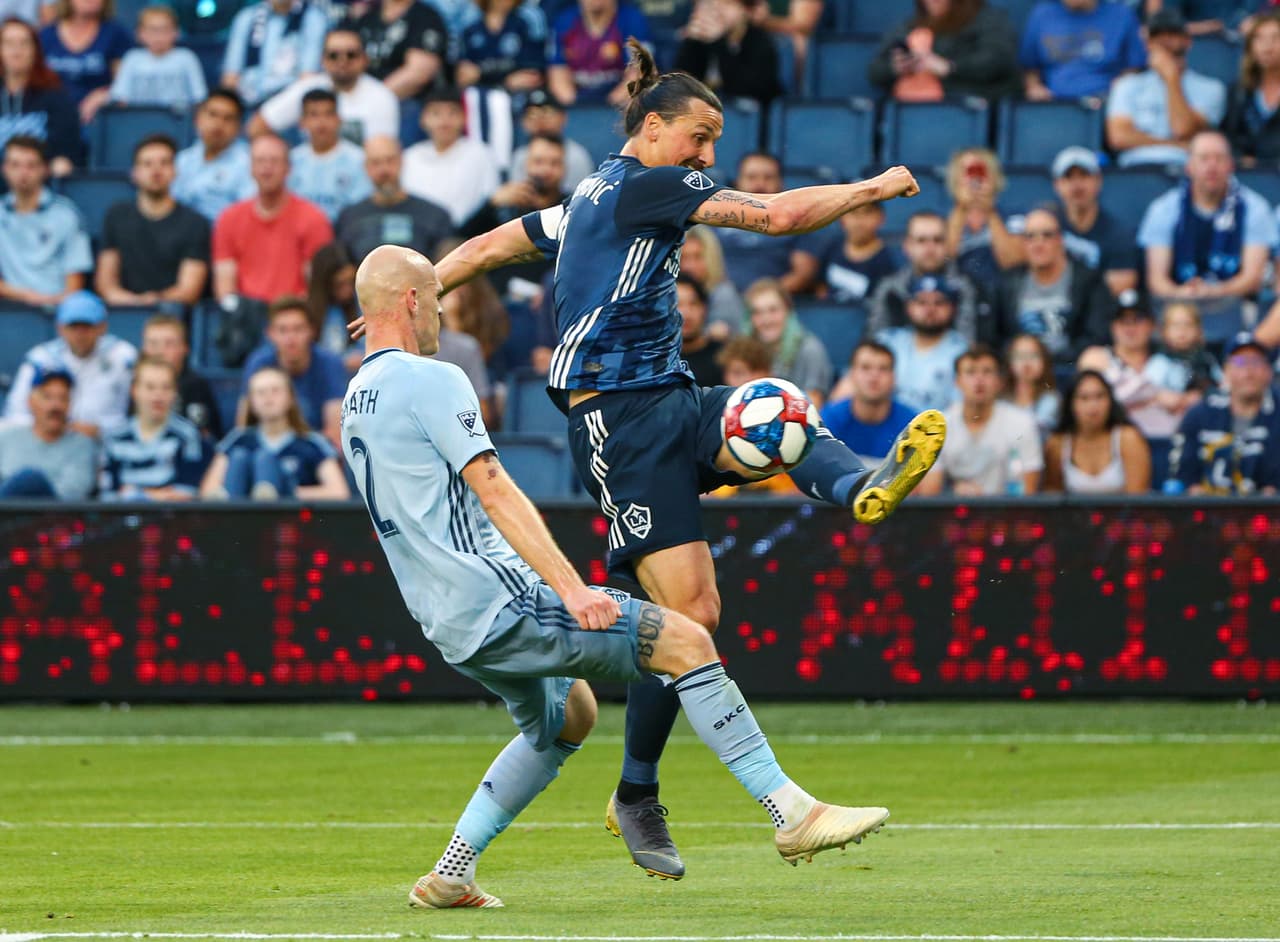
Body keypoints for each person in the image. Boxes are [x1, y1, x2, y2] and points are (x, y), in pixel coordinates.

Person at [350, 40, 943, 882]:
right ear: (654, 127)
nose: (708, 157)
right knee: (689, 617)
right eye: (700, 136)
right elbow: (774, 216)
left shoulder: (592, 196)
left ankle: (861, 482)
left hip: (673, 396)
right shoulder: (649, 186)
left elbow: (490, 247)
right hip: (617, 425)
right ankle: (645, 794)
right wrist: (873, 188)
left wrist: (410, 299)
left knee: (767, 409)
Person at [342, 245, 890, 909]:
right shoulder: (436, 378)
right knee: (689, 640)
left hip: (446, 620)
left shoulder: (356, 399)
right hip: (499, 602)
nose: (438, 313)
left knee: (569, 715)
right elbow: (496, 491)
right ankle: (791, 815)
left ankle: (452, 872)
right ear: (409, 303)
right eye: (432, 299)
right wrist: (572, 591)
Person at [1136, 129, 1275, 340]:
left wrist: (1211, 291)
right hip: (1178, 307)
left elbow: (1252, 279)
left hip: (1235, 306)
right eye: (1204, 159)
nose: (1212, 166)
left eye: (1219, 159)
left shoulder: (1254, 208)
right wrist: (1185, 294)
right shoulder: (1164, 209)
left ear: (1231, 165)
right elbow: (1157, 281)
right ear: (1189, 166)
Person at [212, 133, 333, 305]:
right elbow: (225, 288)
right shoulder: (229, 218)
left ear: (288, 168)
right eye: (260, 161)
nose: (267, 169)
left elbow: (315, 286)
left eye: (274, 161)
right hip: (246, 316)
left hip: (295, 315)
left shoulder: (313, 218)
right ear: (251, 168)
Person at [202, 364, 349, 500]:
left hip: (290, 523)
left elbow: (339, 491)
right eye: (260, 392)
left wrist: (289, 493)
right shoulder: (237, 440)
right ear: (251, 402)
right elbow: (208, 491)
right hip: (238, 518)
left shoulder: (311, 443)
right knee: (239, 457)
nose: (268, 398)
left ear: (290, 397)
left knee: (264, 458)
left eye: (275, 391)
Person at [95, 133, 210, 307]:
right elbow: (106, 283)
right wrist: (136, 303)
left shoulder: (195, 223)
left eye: (164, 163)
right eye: (147, 164)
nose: (156, 171)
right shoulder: (116, 216)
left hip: (173, 319)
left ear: (175, 171)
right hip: (124, 313)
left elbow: (188, 290)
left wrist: (154, 302)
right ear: (134, 173)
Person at [1105, 8, 1227, 168]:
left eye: (1173, 34)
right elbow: (1119, 137)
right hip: (1135, 168)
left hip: (1185, 169)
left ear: (1187, 41)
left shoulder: (1212, 88)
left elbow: (1182, 130)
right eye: (1157, 36)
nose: (1165, 41)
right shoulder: (1127, 85)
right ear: (1148, 44)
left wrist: (1171, 79)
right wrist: (1174, 144)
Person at [3, 290, 135, 436]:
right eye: (73, 327)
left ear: (102, 327)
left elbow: (140, 414)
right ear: (60, 328)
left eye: (87, 326)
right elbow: (15, 414)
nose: (80, 334)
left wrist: (101, 430)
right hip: (54, 441)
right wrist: (57, 427)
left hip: (111, 443)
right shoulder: (41, 358)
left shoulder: (123, 356)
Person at [917, 344, 1043, 496]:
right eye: (970, 372)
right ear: (957, 382)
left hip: (1005, 515)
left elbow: (1028, 492)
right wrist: (952, 492)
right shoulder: (937, 427)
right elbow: (929, 493)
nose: (979, 380)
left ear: (999, 382)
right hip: (951, 514)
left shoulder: (1023, 423)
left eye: (987, 372)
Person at [995, 206, 1114, 363]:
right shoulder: (1008, 283)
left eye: (1047, 235)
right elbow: (997, 338)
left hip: (1072, 367)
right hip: (1021, 370)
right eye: (1030, 237)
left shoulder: (1088, 280)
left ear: (1060, 240)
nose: (1039, 243)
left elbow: (1096, 335)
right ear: (1023, 244)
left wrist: (1057, 360)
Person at [1167, 331, 1280, 493]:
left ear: (1269, 371)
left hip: (1268, 514)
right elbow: (1182, 474)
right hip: (1207, 511)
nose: (1248, 372)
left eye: (1256, 362)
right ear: (1226, 370)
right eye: (1240, 362)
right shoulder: (1199, 414)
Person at [1077, 289, 1196, 440]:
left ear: (1152, 325)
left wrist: (1183, 399)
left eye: (1137, 320)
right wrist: (1155, 397)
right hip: (1112, 442)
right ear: (1112, 326)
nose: (1129, 328)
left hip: (1166, 441)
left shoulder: (1169, 359)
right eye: (1122, 320)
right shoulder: (1097, 357)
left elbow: (1199, 397)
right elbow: (1088, 404)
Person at [248, 28, 399, 146]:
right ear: (322, 60)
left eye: (351, 54)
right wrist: (288, 159)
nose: (342, 61)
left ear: (365, 59)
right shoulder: (308, 87)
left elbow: (382, 154)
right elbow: (257, 126)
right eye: (334, 55)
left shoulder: (382, 97)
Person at [868, 209, 990, 346]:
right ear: (907, 246)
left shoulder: (969, 286)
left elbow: (973, 346)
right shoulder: (890, 289)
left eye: (937, 240)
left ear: (947, 245)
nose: (930, 248)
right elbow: (875, 344)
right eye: (921, 240)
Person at [239, 295, 346, 447]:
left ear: (312, 331)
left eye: (298, 329)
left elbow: (335, 434)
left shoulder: (329, 363)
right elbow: (244, 428)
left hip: (314, 456)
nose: (291, 339)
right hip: (267, 452)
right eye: (283, 330)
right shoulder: (258, 363)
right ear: (270, 334)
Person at [99, 356, 212, 500]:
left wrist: (136, 494)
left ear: (175, 392)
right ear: (134, 390)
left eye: (166, 387)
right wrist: (161, 494)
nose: (158, 395)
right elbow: (108, 497)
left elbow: (186, 494)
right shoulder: (114, 437)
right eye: (150, 387)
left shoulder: (188, 436)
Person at [867, 0, 1020, 103]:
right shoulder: (909, 26)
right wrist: (896, 68)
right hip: (907, 110)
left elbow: (998, 61)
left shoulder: (988, 20)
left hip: (962, 108)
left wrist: (949, 67)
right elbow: (875, 71)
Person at [335, 135, 455, 266]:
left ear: (401, 161)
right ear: (366, 167)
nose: (384, 169)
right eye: (376, 162)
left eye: (390, 160)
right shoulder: (349, 218)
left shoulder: (435, 216)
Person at [0, 134, 91, 305]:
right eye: (15, 165)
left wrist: (52, 303)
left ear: (45, 169)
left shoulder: (67, 214)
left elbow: (74, 285)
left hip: (58, 311)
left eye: (31, 166)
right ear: (4, 168)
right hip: (8, 311)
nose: (23, 173)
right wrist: (27, 297)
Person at [1039, 146, 1141, 297]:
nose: (1077, 185)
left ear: (1099, 181)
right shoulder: (1044, 226)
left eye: (1084, 175)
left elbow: (1122, 283)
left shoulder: (1119, 233)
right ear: (1056, 185)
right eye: (1068, 177)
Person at [716, 152, 820, 295]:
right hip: (720, 304)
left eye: (768, 177)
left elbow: (803, 274)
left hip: (773, 307)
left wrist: (761, 298)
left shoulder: (797, 222)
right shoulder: (715, 218)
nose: (760, 184)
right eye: (751, 177)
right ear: (737, 182)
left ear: (781, 183)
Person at [400, 85, 499, 228]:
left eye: (453, 113)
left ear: (464, 118)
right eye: (436, 114)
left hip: (467, 235)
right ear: (423, 119)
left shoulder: (480, 154)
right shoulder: (410, 157)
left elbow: (490, 199)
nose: (444, 122)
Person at [1042, 369, 1151, 493]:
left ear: (1110, 400)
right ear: (1070, 404)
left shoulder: (1129, 438)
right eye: (1084, 398)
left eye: (1100, 396)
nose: (1093, 405)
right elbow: (1052, 498)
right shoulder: (1057, 444)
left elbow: (1139, 501)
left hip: (1123, 513)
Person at [1019, 0, 1145, 102]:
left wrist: (1121, 88)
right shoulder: (1042, 15)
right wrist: (1034, 87)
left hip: (1107, 103)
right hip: (1055, 104)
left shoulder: (1121, 15)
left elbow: (1134, 66)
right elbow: (1030, 68)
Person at [0, 364, 96, 498]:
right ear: (30, 402)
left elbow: (72, 494)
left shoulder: (81, 444)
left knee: (30, 479)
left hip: (56, 515)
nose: (56, 405)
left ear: (70, 405)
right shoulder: (6, 438)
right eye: (47, 397)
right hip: (7, 516)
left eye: (63, 398)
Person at [876, 274, 968, 412]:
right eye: (921, 302)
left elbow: (961, 408)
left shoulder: (962, 351)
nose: (930, 310)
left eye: (939, 303)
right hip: (885, 427)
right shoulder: (887, 341)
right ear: (909, 307)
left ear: (952, 309)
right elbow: (852, 386)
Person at [0, 17, 80, 173]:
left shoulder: (56, 98)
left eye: (24, 43)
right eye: (9, 43)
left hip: (40, 185)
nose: (17, 51)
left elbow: (66, 152)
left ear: (35, 50)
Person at [819, 340, 919, 464]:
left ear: (894, 378)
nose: (874, 376)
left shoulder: (911, 426)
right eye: (865, 368)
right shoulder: (829, 420)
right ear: (851, 375)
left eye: (883, 369)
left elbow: (927, 482)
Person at [282, 88, 373, 222]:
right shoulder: (290, 161)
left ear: (339, 119)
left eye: (328, 114)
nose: (321, 122)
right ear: (302, 122)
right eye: (314, 115)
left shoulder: (359, 160)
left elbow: (360, 211)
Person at [944, 147, 1024, 298]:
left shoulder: (1012, 216)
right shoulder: (947, 220)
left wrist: (990, 211)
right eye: (967, 171)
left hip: (1004, 298)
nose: (974, 179)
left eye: (980, 171)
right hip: (959, 300)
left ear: (994, 177)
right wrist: (961, 208)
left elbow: (1011, 261)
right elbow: (944, 259)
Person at [38, 0, 131, 124]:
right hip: (52, 115)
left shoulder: (116, 34)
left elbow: (123, 84)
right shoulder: (46, 35)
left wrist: (105, 95)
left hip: (99, 118)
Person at [219, 0, 327, 107]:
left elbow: (308, 77)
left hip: (291, 105)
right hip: (248, 103)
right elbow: (231, 76)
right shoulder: (247, 17)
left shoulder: (313, 18)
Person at [675, 0, 781, 108]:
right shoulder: (702, 40)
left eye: (727, 4)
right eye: (713, 4)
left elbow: (746, 89)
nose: (718, 10)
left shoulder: (760, 41)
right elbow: (680, 85)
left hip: (748, 118)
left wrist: (718, 42)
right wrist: (692, 42)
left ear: (745, 11)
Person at [744, 278, 832, 405]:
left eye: (773, 310)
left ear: (788, 310)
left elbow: (814, 403)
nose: (766, 320)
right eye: (757, 312)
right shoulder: (745, 352)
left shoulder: (810, 349)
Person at [547, 0, 651, 106]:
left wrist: (608, 106)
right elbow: (558, 74)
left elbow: (638, 74)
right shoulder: (564, 21)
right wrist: (576, 108)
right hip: (577, 103)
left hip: (619, 104)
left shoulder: (632, 20)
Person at [173, 88, 253, 224]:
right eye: (212, 115)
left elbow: (248, 218)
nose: (218, 124)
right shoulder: (182, 160)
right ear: (197, 119)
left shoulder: (249, 164)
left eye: (228, 118)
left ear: (239, 127)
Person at [343, 0, 448, 101]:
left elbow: (419, 73)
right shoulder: (366, 15)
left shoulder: (425, 17)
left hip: (406, 101)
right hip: (360, 94)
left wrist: (373, 100)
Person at [139, 313, 222, 439]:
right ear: (143, 348)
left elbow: (203, 436)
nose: (160, 351)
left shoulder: (196, 385)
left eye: (169, 344)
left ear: (185, 348)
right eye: (153, 344)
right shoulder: (134, 382)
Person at [106, 4, 205, 108]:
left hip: (179, 120)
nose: (159, 36)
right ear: (140, 33)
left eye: (165, 29)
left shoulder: (186, 57)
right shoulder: (132, 58)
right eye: (153, 30)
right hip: (139, 119)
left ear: (176, 32)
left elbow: (199, 97)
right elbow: (120, 96)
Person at [507, 88, 600, 191]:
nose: (540, 120)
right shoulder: (520, 156)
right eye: (532, 114)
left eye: (548, 112)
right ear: (523, 122)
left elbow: (579, 201)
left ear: (563, 117)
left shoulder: (576, 156)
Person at [1221, 11, 1280, 167]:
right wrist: (1241, 159)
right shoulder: (1238, 91)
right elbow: (1229, 137)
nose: (1268, 46)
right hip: (1248, 175)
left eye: (1276, 37)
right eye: (1259, 38)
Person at [814, 202, 902, 305]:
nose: (859, 221)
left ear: (881, 218)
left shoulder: (888, 261)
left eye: (867, 212)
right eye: (853, 212)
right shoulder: (832, 247)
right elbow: (820, 286)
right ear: (841, 218)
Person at [456, 0, 546, 93]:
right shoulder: (471, 30)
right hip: (482, 95)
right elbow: (464, 76)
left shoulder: (525, 24)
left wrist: (481, 73)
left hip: (518, 95)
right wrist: (504, 81)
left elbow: (533, 74)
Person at [307, 241, 363, 372]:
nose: (348, 291)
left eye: (351, 282)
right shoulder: (308, 313)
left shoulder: (363, 304)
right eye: (340, 284)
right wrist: (340, 362)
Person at [680, 224, 743, 339]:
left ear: (710, 258)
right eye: (684, 257)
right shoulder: (666, 292)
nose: (689, 266)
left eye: (697, 257)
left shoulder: (723, 294)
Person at [1003, 332, 1062, 439]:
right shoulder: (1000, 400)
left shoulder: (1051, 400)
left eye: (1034, 356)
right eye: (1020, 356)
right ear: (1009, 362)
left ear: (1044, 362)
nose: (1027, 362)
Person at [1158, 300, 1222, 391]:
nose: (1182, 330)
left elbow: (1222, 385)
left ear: (1199, 330)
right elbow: (1152, 393)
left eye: (1188, 324)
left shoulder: (1207, 359)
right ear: (1164, 331)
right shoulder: (1159, 362)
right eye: (1175, 325)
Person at [676, 274, 722, 386]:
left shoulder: (724, 358)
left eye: (693, 304)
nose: (686, 313)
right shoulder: (657, 363)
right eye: (677, 304)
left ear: (704, 308)